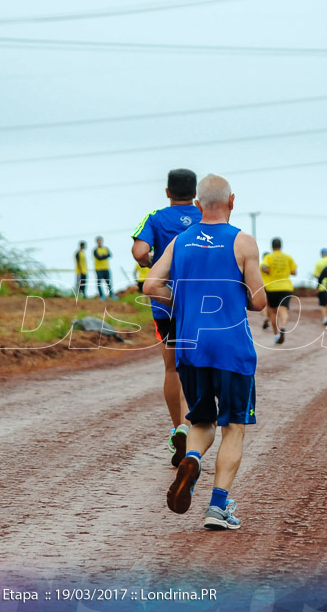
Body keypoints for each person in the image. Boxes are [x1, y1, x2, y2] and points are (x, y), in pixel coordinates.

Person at [145, 174, 266, 531]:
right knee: (234, 426)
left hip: (190, 346)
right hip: (232, 348)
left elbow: (151, 285)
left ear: (198, 205)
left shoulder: (180, 241)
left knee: (201, 422)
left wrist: (180, 302)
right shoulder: (242, 241)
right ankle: (216, 508)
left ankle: (193, 457)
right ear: (232, 201)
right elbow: (259, 300)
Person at [131, 168, 202, 466]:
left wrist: (151, 262)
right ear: (195, 193)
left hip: (166, 304)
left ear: (167, 192)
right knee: (200, 368)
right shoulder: (205, 217)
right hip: (203, 304)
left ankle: (179, 427)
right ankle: (200, 432)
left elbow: (139, 251)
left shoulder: (155, 218)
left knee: (172, 369)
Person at [260, 238, 297, 344]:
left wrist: (268, 271)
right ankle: (283, 327)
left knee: (272, 311)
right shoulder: (288, 257)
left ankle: (276, 334)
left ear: (272, 246)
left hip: (272, 288)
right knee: (283, 311)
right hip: (286, 287)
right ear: (281, 245)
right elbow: (294, 272)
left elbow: (263, 267)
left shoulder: (268, 257)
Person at [313, 248, 327, 326]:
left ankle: (325, 318)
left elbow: (316, 274)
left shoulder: (319, 262)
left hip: (322, 286)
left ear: (321, 254)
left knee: (322, 304)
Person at [259, 251, 272, 330]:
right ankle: (268, 319)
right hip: (271, 286)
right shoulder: (268, 265)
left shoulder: (261, 264)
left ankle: (265, 317)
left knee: (263, 304)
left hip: (263, 286)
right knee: (270, 305)